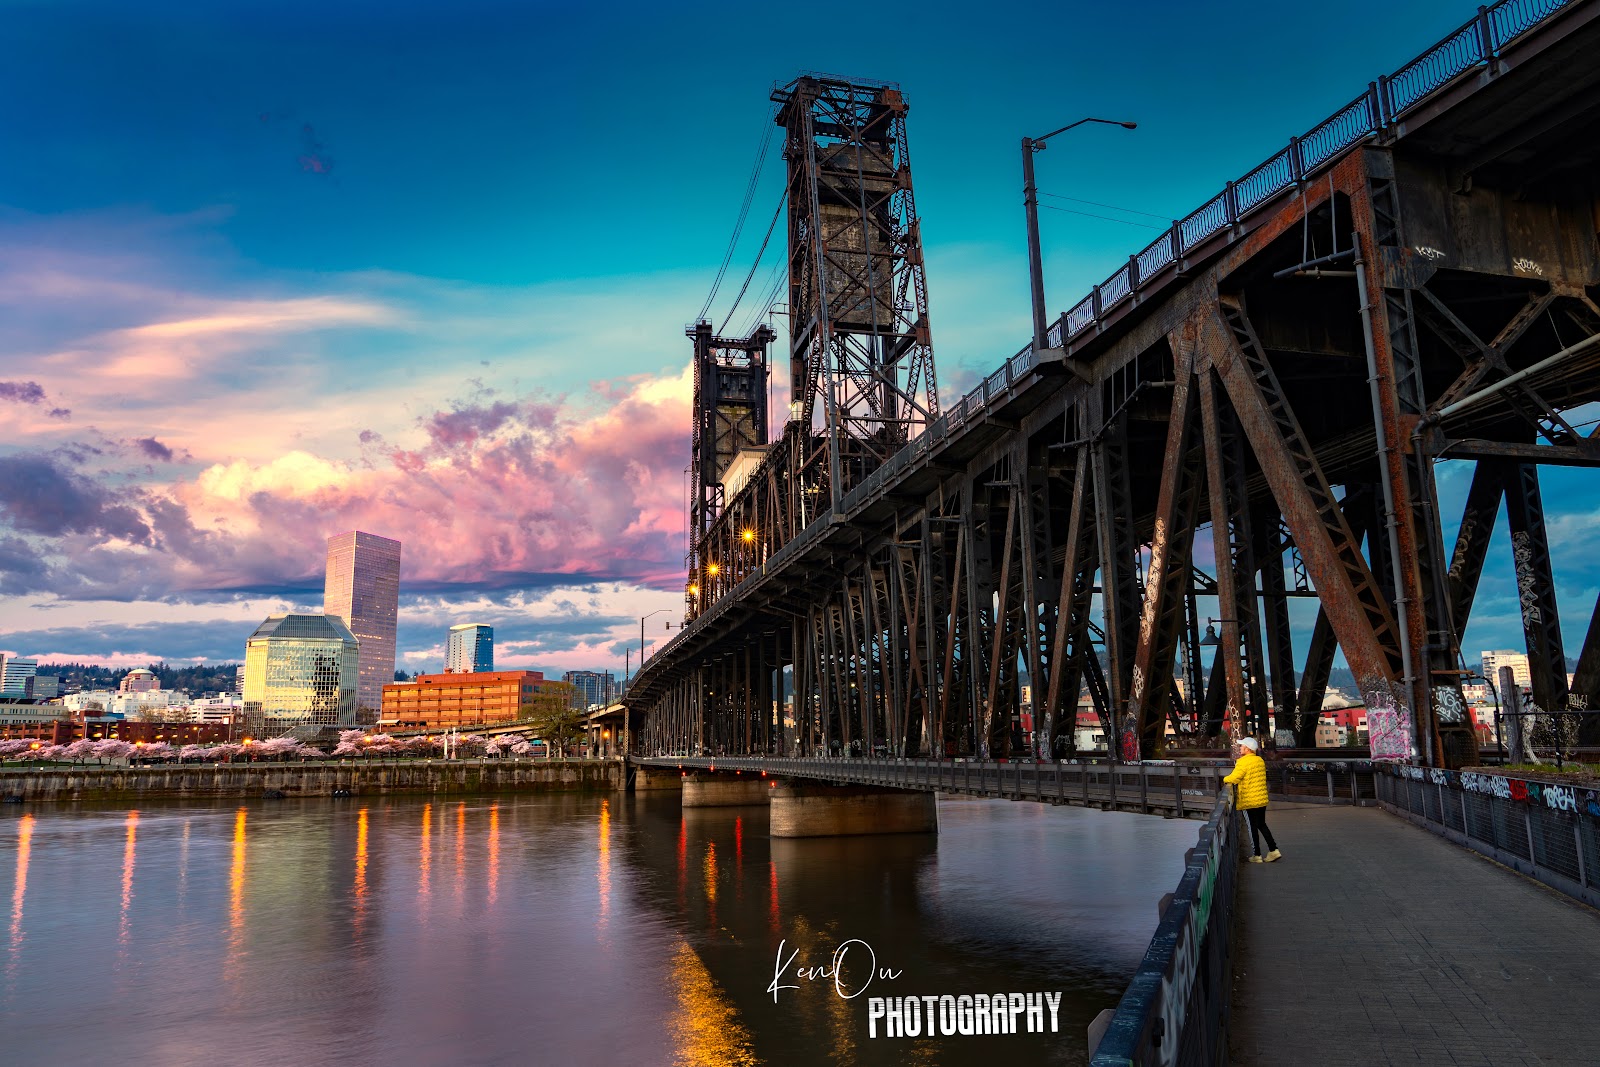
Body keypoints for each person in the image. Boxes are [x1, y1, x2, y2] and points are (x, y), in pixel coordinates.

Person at [1223, 737, 1281, 863]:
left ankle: (1257, 855)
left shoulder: (1243, 762)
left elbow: (1234, 778)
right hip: (1261, 799)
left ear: (1247, 748)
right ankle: (1273, 850)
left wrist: (1224, 779)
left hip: (1249, 800)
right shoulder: (1259, 760)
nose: (1240, 748)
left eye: (1242, 746)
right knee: (1262, 824)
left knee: (1252, 827)